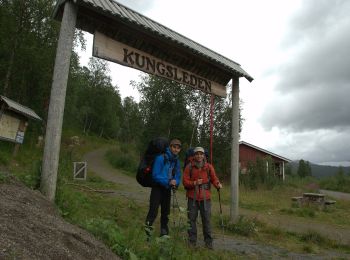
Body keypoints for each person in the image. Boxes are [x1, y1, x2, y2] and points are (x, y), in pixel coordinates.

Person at [182, 146, 222, 249]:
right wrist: (194, 183)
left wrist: (217, 184)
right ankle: (192, 242)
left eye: (201, 154)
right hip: (192, 198)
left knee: (207, 220)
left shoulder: (209, 167)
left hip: (206, 198)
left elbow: (214, 178)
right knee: (191, 220)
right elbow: (185, 182)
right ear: (194, 155)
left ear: (204, 155)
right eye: (197, 154)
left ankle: (208, 243)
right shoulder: (189, 167)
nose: (199, 155)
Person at [145, 138, 182, 238]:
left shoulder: (176, 161)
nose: (176, 150)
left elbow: (178, 176)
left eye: (178, 148)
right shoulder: (161, 158)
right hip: (157, 188)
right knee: (153, 210)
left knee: (166, 213)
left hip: (167, 189)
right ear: (170, 147)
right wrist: (168, 181)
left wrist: (176, 182)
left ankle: (164, 232)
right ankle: (147, 232)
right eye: (174, 147)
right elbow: (155, 175)